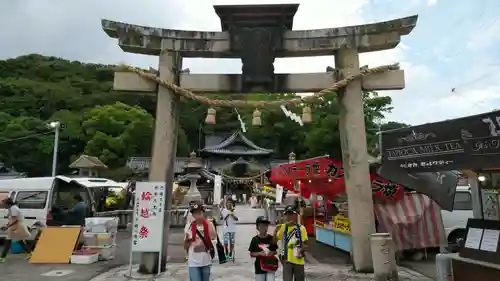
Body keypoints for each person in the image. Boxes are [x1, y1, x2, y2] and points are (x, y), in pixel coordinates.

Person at [274, 205, 308, 281]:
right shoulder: (283, 227)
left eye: (292, 214)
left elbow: (306, 243)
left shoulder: (301, 228)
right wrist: (276, 229)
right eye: (288, 214)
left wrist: (301, 249)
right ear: (285, 216)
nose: (290, 216)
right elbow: (275, 240)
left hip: (298, 260)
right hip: (286, 260)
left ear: (296, 215)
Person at [184, 203, 216, 281]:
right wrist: (188, 240)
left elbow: (213, 236)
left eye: (199, 213)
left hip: (206, 261)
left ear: (203, 213)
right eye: (195, 213)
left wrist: (206, 222)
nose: (197, 215)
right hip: (193, 262)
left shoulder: (209, 224)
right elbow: (185, 246)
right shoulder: (189, 226)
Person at [0, 198, 32, 262]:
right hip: (15, 226)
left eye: (4, 204)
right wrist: (6, 225)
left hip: (17, 226)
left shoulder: (13, 209)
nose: (3, 206)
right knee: (19, 241)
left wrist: (7, 227)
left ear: (8, 204)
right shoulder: (11, 208)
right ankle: (29, 253)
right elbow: (12, 220)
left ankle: (2, 257)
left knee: (8, 241)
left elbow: (15, 221)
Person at [249, 216, 279, 281]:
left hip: (270, 265)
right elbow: (252, 253)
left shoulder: (271, 238)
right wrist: (259, 253)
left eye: (266, 226)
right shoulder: (254, 239)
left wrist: (271, 253)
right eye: (262, 226)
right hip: (259, 267)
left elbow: (275, 251)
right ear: (258, 227)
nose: (264, 228)